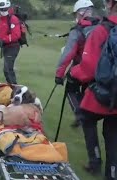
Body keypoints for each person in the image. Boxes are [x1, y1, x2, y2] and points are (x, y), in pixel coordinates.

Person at [70, 0, 117, 179]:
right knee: (113, 136)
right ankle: (112, 174)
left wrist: (73, 71)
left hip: (100, 96)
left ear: (110, 4)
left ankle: (95, 161)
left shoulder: (101, 30)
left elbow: (88, 69)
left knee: (86, 119)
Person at [55, 0, 99, 128]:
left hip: (83, 67)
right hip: (100, 70)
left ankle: (80, 114)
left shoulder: (77, 31)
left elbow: (67, 54)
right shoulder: (102, 26)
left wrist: (59, 74)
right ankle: (85, 116)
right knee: (87, 92)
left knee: (71, 87)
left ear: (80, 13)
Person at [0, 0, 22, 84]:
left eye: (5, 9)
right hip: (5, 47)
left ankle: (14, 89)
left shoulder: (13, 19)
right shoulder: (1, 20)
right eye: (1, 9)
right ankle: (12, 88)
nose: (3, 11)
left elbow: (16, 35)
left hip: (13, 47)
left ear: (9, 8)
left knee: (7, 69)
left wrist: (3, 39)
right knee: (8, 69)